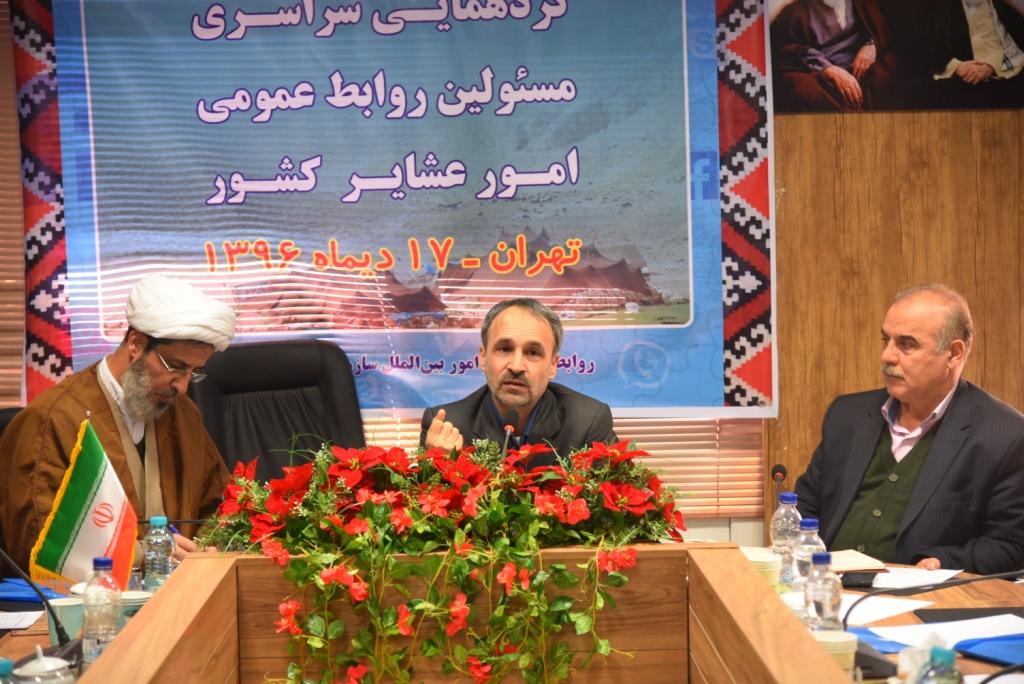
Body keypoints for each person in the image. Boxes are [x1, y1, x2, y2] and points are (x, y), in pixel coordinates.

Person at [0, 274, 236, 573]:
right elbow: (37, 542)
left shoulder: (183, 414)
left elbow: (218, 503)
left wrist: (211, 546)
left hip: (179, 589)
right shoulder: (52, 419)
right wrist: (141, 553)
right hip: (92, 595)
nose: (183, 386)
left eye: (194, 372)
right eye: (176, 367)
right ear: (136, 343)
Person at [795, 284, 1024, 574]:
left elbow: (1010, 545)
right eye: (886, 340)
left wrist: (941, 562)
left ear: (954, 354)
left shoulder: (1006, 435)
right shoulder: (847, 415)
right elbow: (805, 505)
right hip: (825, 585)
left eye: (906, 344)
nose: (887, 356)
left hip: (922, 594)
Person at [420, 298, 616, 467]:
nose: (516, 366)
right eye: (504, 349)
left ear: (553, 366)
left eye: (533, 353)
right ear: (483, 358)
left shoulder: (587, 423)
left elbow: (617, 493)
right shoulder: (446, 427)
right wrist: (440, 466)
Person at [771, 0, 897, 111]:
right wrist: (828, 69)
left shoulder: (866, 2)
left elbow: (886, 24)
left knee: (891, 66)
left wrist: (872, 45)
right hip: (823, 78)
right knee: (800, 88)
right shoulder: (796, 10)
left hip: (864, 70)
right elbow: (787, 48)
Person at [918, 0, 1024, 108]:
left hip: (1003, 77)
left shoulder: (1005, 6)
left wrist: (991, 67)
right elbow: (929, 49)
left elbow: (1018, 49)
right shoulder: (940, 8)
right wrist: (957, 67)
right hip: (956, 81)